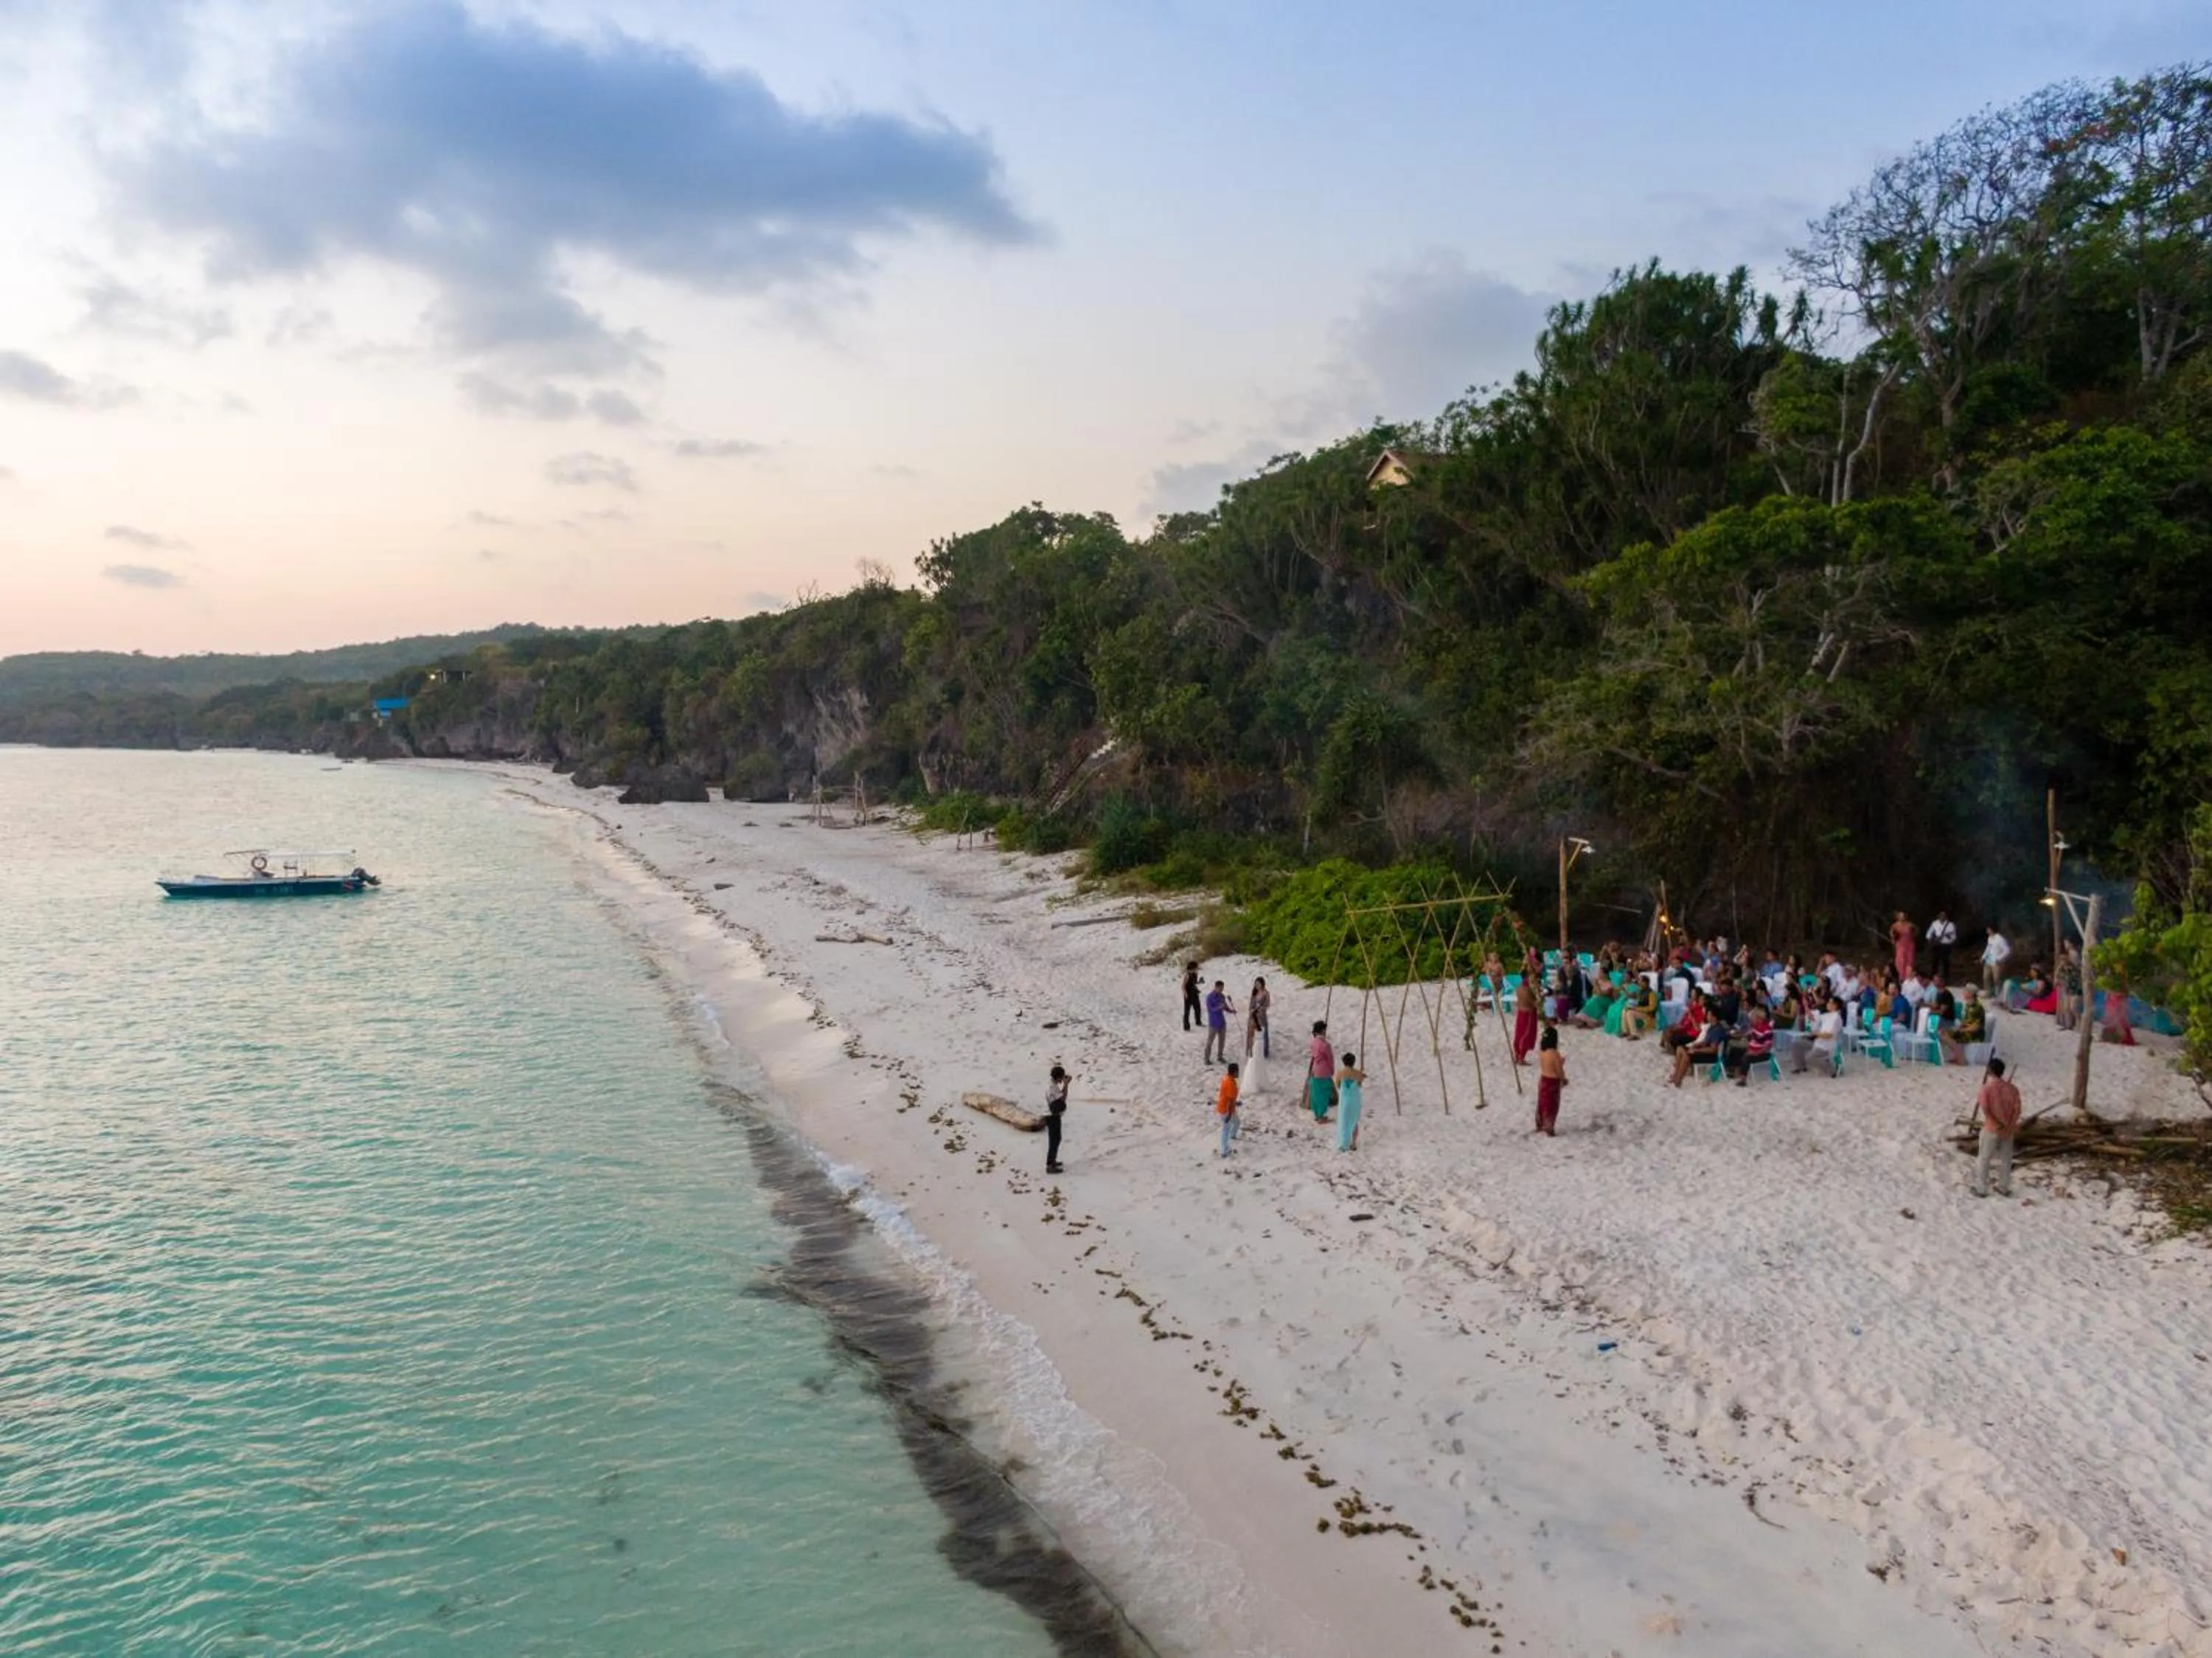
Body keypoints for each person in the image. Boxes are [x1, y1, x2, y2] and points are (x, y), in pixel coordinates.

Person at [1972, 1056, 2023, 1198]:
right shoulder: (2013, 1089)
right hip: (2008, 1129)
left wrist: (1996, 1123)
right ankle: (2004, 1187)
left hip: (1991, 1128)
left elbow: (1986, 1109)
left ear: (1990, 1071)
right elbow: (2017, 1110)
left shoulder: (1986, 1089)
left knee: (1984, 1158)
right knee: (2006, 1160)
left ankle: (1981, 1189)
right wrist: (2010, 1125)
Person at [1669, 1007, 1728, 1087]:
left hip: (1710, 1056)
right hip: (1703, 1050)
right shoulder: (1712, 1027)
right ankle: (1676, 1075)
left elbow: (1713, 1050)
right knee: (1680, 1048)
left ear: (1714, 1017)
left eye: (1708, 1014)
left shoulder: (1717, 1030)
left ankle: (1678, 1081)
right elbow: (1705, 1041)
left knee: (1686, 1056)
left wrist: (1696, 1050)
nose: (1707, 1016)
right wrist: (1695, 1045)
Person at [1939, 987, 1987, 1064]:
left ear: (1971, 994)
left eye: (1965, 992)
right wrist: (1958, 1028)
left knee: (1947, 1034)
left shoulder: (1977, 1007)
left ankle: (1961, 1059)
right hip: (1967, 1030)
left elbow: (1976, 1027)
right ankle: (1957, 1056)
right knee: (1943, 1032)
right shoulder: (1968, 1005)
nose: (1963, 993)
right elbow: (1965, 1022)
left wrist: (1961, 1030)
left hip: (1975, 1034)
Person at [1535, 1026, 1566, 1135]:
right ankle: (1549, 1127)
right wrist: (1564, 1079)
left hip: (1543, 1080)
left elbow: (1548, 1065)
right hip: (1553, 1082)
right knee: (1551, 1105)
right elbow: (1558, 1069)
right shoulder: (1554, 1053)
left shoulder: (1542, 1052)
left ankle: (1540, 1123)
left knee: (1542, 1103)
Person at [1734, 1007, 1775, 1085]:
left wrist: (1756, 1053)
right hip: (1753, 1050)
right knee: (1736, 1050)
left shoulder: (1767, 1029)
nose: (1751, 1020)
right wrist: (1736, 1035)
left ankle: (1743, 1080)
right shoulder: (1755, 1027)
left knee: (1747, 1057)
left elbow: (1767, 1047)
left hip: (1763, 1053)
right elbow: (1747, 1034)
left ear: (1759, 1018)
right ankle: (1737, 1072)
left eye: (1753, 1018)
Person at [1335, 1052, 1367, 1151]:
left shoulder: (1340, 1073)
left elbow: (1338, 1084)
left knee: (1344, 1121)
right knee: (1354, 1121)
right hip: (1354, 1101)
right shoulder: (1357, 1074)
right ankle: (1353, 1143)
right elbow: (1360, 1082)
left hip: (1344, 1101)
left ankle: (1343, 1142)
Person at [1307, 1021, 1336, 1122]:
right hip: (1324, 1071)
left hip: (1315, 1070)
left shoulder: (1313, 1042)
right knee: (1324, 1094)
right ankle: (1321, 1116)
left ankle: (1317, 1114)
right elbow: (1330, 1059)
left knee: (1316, 1094)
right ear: (1323, 1031)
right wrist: (1332, 1070)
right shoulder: (1326, 1045)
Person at [1045, 1064, 1071, 1174]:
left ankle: (1052, 1161)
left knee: (1056, 1139)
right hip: (1052, 1116)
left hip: (1052, 1115)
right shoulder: (1053, 1088)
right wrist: (1066, 1085)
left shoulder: (1051, 1085)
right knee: (1054, 1140)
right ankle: (1050, 1165)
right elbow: (1063, 1099)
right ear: (1059, 1077)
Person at [1511, 971, 1540, 1066]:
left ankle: (1517, 1056)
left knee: (1519, 1034)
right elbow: (1534, 1003)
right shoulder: (1528, 990)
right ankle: (1521, 1058)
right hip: (1528, 1014)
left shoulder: (1518, 988)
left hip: (1520, 1013)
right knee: (1526, 1036)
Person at [1203, 979, 1234, 1064]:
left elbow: (1225, 1007)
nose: (1221, 991)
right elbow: (1210, 1009)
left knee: (1222, 1041)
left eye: (1222, 989)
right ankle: (1206, 1059)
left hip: (1222, 1022)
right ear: (1216, 987)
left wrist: (1231, 1010)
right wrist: (1219, 1007)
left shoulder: (1222, 996)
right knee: (1210, 1041)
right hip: (1213, 1023)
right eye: (1220, 989)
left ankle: (1220, 1056)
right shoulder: (1210, 997)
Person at [1215, 1062, 1240, 1157]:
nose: (1239, 1073)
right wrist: (1229, 1114)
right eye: (1238, 1071)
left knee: (1237, 1122)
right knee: (1226, 1129)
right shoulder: (1231, 1084)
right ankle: (1224, 1151)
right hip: (1226, 1110)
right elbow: (1230, 1101)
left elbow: (1229, 1097)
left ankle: (1232, 1136)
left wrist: (1235, 1103)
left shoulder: (1226, 1078)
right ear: (1234, 1073)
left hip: (1226, 1107)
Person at [1926, 910, 1958, 985]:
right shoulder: (1935, 923)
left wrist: (1948, 937)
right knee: (1935, 961)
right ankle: (1933, 978)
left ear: (1946, 917)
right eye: (1941, 915)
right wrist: (1931, 939)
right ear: (1939, 916)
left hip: (1946, 945)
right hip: (1937, 945)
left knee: (1945, 961)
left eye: (1943, 916)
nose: (1942, 917)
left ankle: (1946, 978)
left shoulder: (1950, 925)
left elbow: (1954, 937)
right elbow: (1928, 934)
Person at [1245, 977, 1272, 1060]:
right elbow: (1251, 1004)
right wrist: (1251, 1010)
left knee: (1263, 1035)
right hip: (1253, 1016)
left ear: (1262, 984)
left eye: (1258, 984)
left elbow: (1267, 1005)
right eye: (1256, 984)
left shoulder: (1266, 993)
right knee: (1250, 1034)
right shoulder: (1254, 992)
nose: (1257, 985)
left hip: (1261, 1017)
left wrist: (1258, 1009)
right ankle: (1249, 1051)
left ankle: (1264, 1052)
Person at [1981, 926, 2011, 995]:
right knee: (1986, 977)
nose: (1987, 931)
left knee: (1997, 979)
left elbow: (2007, 950)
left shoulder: (2000, 939)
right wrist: (1983, 957)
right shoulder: (1990, 938)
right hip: (1989, 960)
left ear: (1992, 930)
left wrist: (1999, 958)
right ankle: (1987, 992)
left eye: (1988, 929)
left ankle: (1998, 994)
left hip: (1997, 962)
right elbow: (1988, 948)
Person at [1890, 911, 1916, 982]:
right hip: (1900, 945)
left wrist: (1913, 936)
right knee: (1901, 961)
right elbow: (1892, 934)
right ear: (1898, 917)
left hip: (1909, 945)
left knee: (1909, 961)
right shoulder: (1895, 926)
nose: (1902, 917)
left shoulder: (1910, 925)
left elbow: (1916, 931)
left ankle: (1909, 977)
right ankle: (1901, 978)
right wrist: (1893, 938)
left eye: (1903, 916)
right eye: (1900, 916)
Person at [1180, 962, 1203, 1031]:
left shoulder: (1195, 974)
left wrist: (1199, 983)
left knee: (1198, 1009)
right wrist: (1186, 994)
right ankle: (1186, 1027)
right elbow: (1183, 986)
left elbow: (1194, 983)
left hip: (1195, 994)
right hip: (1188, 995)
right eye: (1196, 968)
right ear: (1193, 968)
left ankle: (1198, 1022)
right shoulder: (1187, 975)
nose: (1197, 969)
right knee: (1187, 1011)